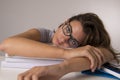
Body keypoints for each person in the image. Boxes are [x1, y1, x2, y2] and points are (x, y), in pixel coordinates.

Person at [0, 13, 117, 80]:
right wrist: (66, 53)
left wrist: (62, 68)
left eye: (73, 41)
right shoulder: (43, 34)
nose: (64, 39)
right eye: (67, 29)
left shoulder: (79, 51)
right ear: (64, 22)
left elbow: (106, 53)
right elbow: (6, 45)